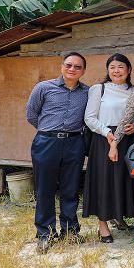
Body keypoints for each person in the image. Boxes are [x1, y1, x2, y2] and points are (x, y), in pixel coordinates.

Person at [26, 52, 89, 254]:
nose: (72, 69)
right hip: (46, 142)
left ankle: (70, 231)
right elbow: (31, 115)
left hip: (74, 143)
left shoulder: (87, 92)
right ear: (62, 66)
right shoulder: (44, 88)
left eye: (77, 67)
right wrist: (49, 131)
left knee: (70, 189)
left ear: (83, 71)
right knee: (45, 189)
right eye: (69, 65)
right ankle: (45, 233)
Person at [83, 53, 134, 243]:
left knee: (124, 180)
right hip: (103, 139)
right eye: (113, 67)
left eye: (121, 67)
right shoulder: (99, 89)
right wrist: (108, 133)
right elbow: (89, 118)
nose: (116, 71)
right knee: (104, 181)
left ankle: (120, 217)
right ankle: (102, 225)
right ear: (108, 70)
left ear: (129, 70)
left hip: (128, 140)